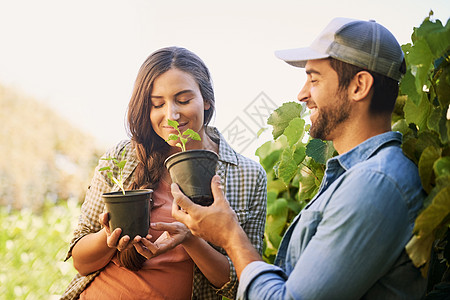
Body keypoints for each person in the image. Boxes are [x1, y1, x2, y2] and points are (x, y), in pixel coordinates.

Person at [172, 18, 427, 299]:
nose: (302, 94)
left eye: (314, 79)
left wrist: (230, 235)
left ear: (359, 86)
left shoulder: (375, 184)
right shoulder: (355, 176)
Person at [61, 46, 267, 300]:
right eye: (157, 104)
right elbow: (81, 262)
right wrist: (110, 235)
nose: (171, 115)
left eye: (183, 100)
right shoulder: (121, 157)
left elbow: (242, 283)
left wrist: (190, 239)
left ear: (207, 100)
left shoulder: (247, 175)